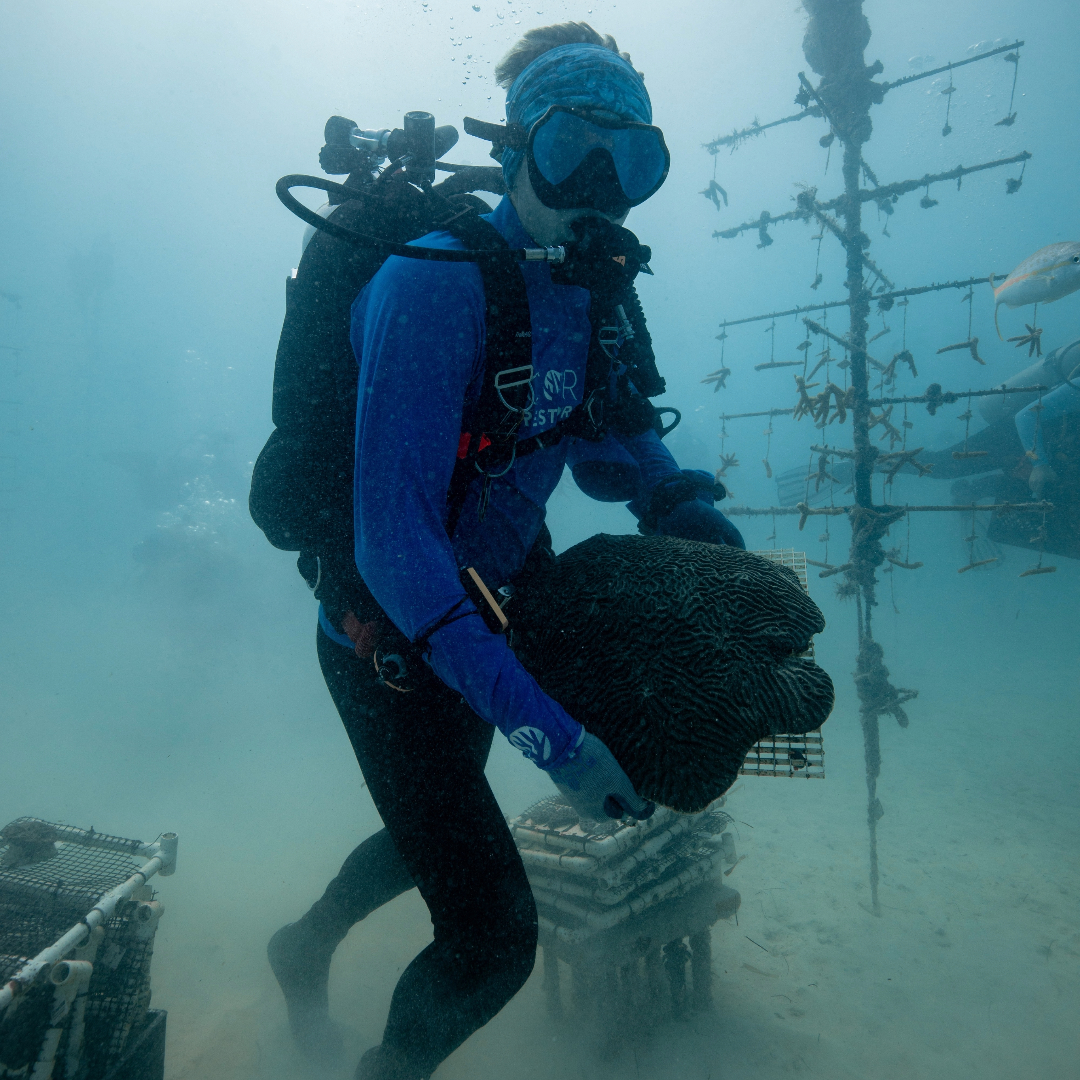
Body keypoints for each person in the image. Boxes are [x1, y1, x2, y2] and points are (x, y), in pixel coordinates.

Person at [265, 23, 743, 1080]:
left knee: (433, 830)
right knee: (492, 938)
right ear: (519, 148)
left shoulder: (596, 295)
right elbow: (395, 544)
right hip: (385, 641)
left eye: (633, 161)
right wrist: (552, 737)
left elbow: (617, 437)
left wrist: (677, 501)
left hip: (490, 614)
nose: (602, 190)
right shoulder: (433, 283)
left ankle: (302, 945)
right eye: (574, 150)